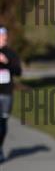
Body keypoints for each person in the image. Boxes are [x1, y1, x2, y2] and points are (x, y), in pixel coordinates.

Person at [0, 26, 23, 163]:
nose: (5, 37)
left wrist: (6, 62)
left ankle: (0, 147)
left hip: (7, 92)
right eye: (2, 35)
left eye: (5, 35)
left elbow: (18, 71)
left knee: (3, 122)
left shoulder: (11, 53)